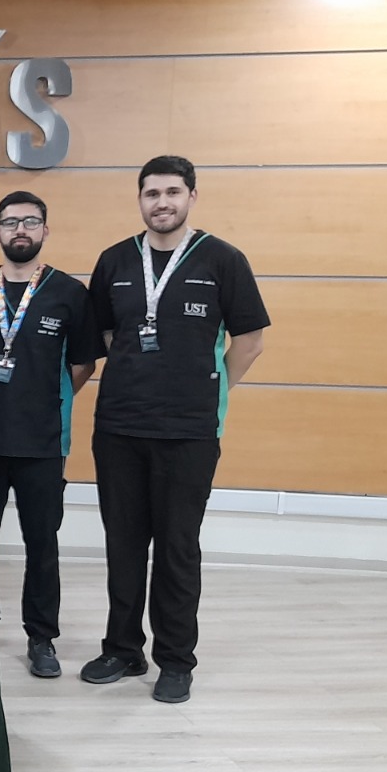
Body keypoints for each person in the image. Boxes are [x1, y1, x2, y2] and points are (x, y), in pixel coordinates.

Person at [81, 155, 269, 704]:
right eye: (150, 193)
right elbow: (110, 335)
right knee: (123, 543)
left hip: (189, 432)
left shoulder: (222, 259)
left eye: (171, 192)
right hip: (120, 427)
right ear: (139, 200)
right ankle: (122, 648)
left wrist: (209, 391)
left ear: (191, 196)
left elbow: (250, 340)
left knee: (178, 546)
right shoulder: (115, 260)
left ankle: (176, 659)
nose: (160, 202)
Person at [0, 192, 103, 679]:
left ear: (45, 230)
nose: (21, 229)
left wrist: (46, 399)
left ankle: (42, 636)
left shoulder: (70, 293)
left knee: (43, 542)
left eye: (31, 222)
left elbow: (82, 364)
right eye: (11, 222)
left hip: (42, 444)